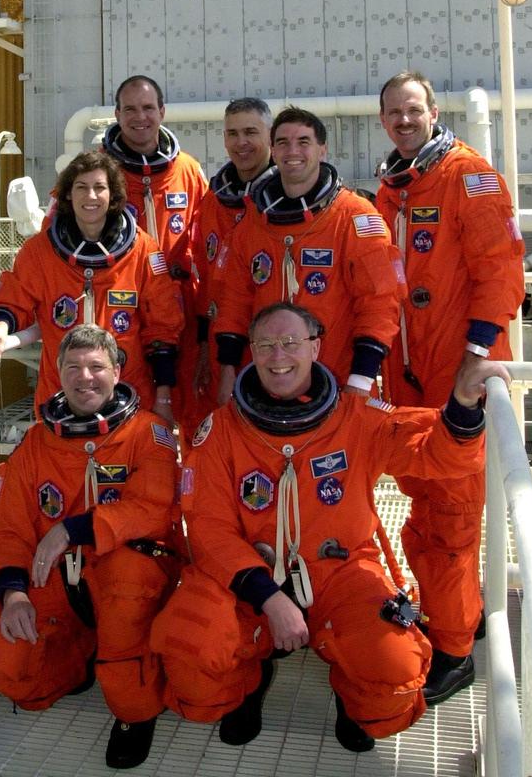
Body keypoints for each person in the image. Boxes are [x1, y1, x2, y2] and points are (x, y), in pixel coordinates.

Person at [151, 303, 509, 752]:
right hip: (247, 574)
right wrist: (269, 598)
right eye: (265, 345)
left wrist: (460, 403)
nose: (277, 355)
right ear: (252, 354)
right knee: (191, 659)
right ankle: (249, 677)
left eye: (290, 342)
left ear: (316, 347)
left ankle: (352, 689)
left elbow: (436, 451)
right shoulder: (220, 430)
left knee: (393, 676)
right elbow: (208, 528)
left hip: (340, 571)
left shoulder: (356, 417)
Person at [0, 325, 179, 770]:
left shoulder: (148, 434)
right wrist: (14, 592)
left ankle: (134, 712)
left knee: (126, 582)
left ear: (117, 371)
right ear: (57, 374)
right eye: (73, 368)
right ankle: (72, 662)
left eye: (97, 367)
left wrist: (73, 529)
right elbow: (9, 530)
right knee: (0, 650)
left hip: (127, 576)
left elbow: (154, 509)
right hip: (57, 580)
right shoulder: (36, 444)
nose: (85, 378)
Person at [376, 70, 525, 702]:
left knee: (450, 520)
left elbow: (500, 273)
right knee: (426, 508)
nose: (404, 120)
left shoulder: (470, 176)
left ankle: (456, 649)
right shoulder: (394, 187)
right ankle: (461, 612)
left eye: (413, 109)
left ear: (433, 111)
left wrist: (472, 357)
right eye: (394, 113)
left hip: (456, 376)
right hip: (410, 374)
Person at [214, 106, 404, 404]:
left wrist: (360, 380)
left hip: (338, 381)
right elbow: (234, 303)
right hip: (267, 380)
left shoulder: (354, 217)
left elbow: (380, 303)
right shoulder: (252, 223)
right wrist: (227, 371)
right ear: (273, 151)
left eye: (303, 142)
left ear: (322, 150)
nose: (293, 151)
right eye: (283, 143)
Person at [0, 151, 183, 423]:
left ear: (113, 195)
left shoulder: (143, 251)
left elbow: (164, 324)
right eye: (81, 187)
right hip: (60, 396)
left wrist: (164, 394)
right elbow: (14, 294)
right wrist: (0, 326)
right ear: (68, 195)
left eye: (100, 187)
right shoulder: (40, 252)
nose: (91, 196)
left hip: (129, 395)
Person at [103, 75, 207, 428]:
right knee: (130, 413)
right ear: (116, 114)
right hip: (124, 307)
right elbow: (56, 232)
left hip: (184, 310)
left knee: (194, 411)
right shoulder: (96, 171)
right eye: (129, 109)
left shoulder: (188, 171)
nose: (140, 117)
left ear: (162, 111)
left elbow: (210, 241)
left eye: (148, 108)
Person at [190, 98, 273, 420]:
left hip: (271, 345)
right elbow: (205, 282)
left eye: (251, 132)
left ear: (269, 135)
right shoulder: (212, 202)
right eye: (232, 133)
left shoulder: (287, 202)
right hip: (220, 348)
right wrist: (201, 347)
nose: (241, 143)